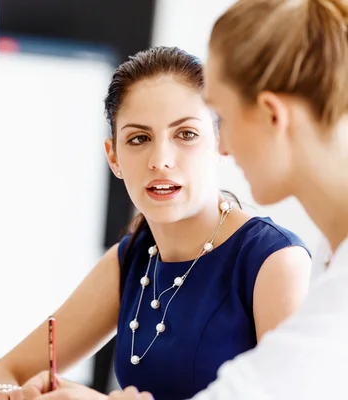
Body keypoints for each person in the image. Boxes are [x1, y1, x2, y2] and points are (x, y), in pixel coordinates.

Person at [0, 46, 312, 400]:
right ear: (113, 157)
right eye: (139, 138)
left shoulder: (274, 261)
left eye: (186, 134)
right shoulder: (131, 259)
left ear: (223, 143)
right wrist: (6, 397)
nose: (160, 160)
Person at [97, 0, 348, 399]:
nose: (224, 146)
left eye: (222, 118)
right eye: (139, 138)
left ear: (271, 114)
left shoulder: (286, 262)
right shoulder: (332, 259)